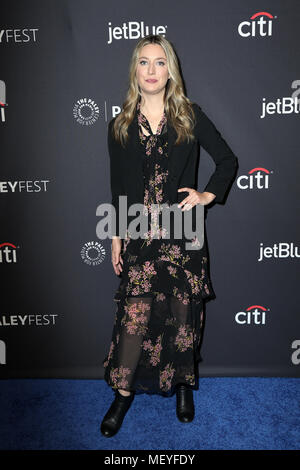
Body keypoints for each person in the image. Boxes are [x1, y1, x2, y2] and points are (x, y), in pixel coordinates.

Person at [101, 34, 238, 438]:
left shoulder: (189, 115)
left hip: (184, 229)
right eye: (144, 62)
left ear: (170, 70)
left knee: (183, 315)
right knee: (135, 315)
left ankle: (183, 386)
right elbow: (118, 190)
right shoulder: (120, 125)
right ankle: (122, 392)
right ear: (135, 70)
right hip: (141, 232)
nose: (151, 71)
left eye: (160, 63)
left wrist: (206, 195)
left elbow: (227, 160)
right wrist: (115, 236)